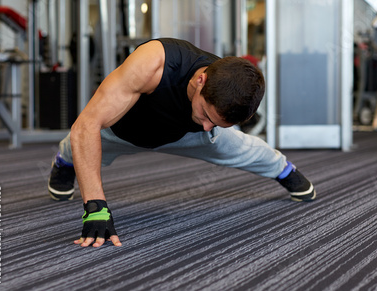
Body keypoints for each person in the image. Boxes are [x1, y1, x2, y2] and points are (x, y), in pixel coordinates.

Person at [48, 38, 316, 248]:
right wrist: (95, 208)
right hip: (124, 132)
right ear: (201, 81)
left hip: (183, 134)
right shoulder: (153, 63)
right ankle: (63, 162)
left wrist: (211, 125)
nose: (208, 126)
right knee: (78, 142)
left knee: (241, 146)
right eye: (208, 115)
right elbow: (87, 124)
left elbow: (212, 126)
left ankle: (285, 170)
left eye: (217, 123)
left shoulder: (223, 93)